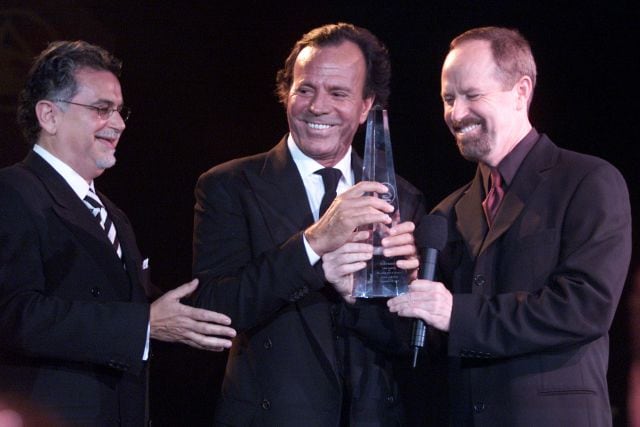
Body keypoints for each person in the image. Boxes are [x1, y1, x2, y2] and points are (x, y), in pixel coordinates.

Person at [388, 26, 632, 426]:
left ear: (521, 92)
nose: (456, 113)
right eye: (448, 99)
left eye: (472, 95)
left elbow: (585, 306)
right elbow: (434, 342)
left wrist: (455, 312)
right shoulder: (447, 212)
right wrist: (405, 289)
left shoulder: (587, 181)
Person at [191, 23, 426, 426]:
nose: (318, 106)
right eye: (305, 89)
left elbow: (413, 345)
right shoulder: (229, 186)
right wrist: (312, 248)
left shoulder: (402, 199)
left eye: (338, 93)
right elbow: (214, 310)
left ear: (366, 105)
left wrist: (388, 293)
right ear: (287, 92)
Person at [0, 40, 237, 426]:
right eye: (101, 109)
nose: (119, 123)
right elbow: (13, 314)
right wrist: (142, 325)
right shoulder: (11, 193)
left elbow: (141, 308)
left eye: (119, 110)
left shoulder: (113, 215)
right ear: (49, 115)